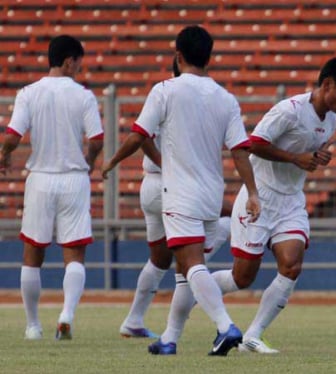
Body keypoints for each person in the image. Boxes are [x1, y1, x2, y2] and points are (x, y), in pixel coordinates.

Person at [101, 25, 261, 356]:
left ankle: (225, 326)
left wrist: (111, 161)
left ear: (178, 55)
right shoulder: (225, 98)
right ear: (210, 58)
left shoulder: (165, 90)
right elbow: (240, 150)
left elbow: (138, 135)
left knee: (190, 264)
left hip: (180, 192)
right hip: (210, 193)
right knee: (184, 271)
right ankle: (170, 338)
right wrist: (253, 191)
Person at [209, 57, 336, 354]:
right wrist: (295, 158)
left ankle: (253, 336)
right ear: (327, 84)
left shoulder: (330, 120)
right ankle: (195, 288)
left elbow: (306, 156)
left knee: (292, 266)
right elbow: (254, 143)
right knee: (242, 278)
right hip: (260, 198)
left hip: (291, 201)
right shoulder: (288, 111)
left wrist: (317, 158)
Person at [118, 57, 233, 339]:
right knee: (218, 230)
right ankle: (202, 283)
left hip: (151, 186)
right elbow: (142, 136)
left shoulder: (164, 93)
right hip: (175, 186)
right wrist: (166, 163)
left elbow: (143, 135)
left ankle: (134, 320)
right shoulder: (187, 98)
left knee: (159, 259)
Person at [0, 35, 104, 340]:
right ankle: (66, 314)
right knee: (74, 253)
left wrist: (4, 157)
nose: (80, 67)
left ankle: (33, 326)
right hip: (74, 178)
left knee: (32, 253)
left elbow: (13, 135)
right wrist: (90, 160)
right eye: (78, 62)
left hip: (41, 179)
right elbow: (97, 139)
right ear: (70, 60)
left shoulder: (29, 93)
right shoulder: (83, 96)